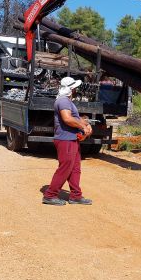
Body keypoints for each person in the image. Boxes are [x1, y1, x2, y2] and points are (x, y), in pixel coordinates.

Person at [42, 77, 93, 206]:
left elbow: (75, 118)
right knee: (65, 168)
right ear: (71, 89)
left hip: (71, 139)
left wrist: (86, 123)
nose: (76, 89)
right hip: (65, 140)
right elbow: (67, 119)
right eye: (74, 87)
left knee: (75, 168)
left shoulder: (67, 101)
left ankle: (75, 196)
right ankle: (50, 195)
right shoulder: (63, 101)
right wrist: (82, 126)